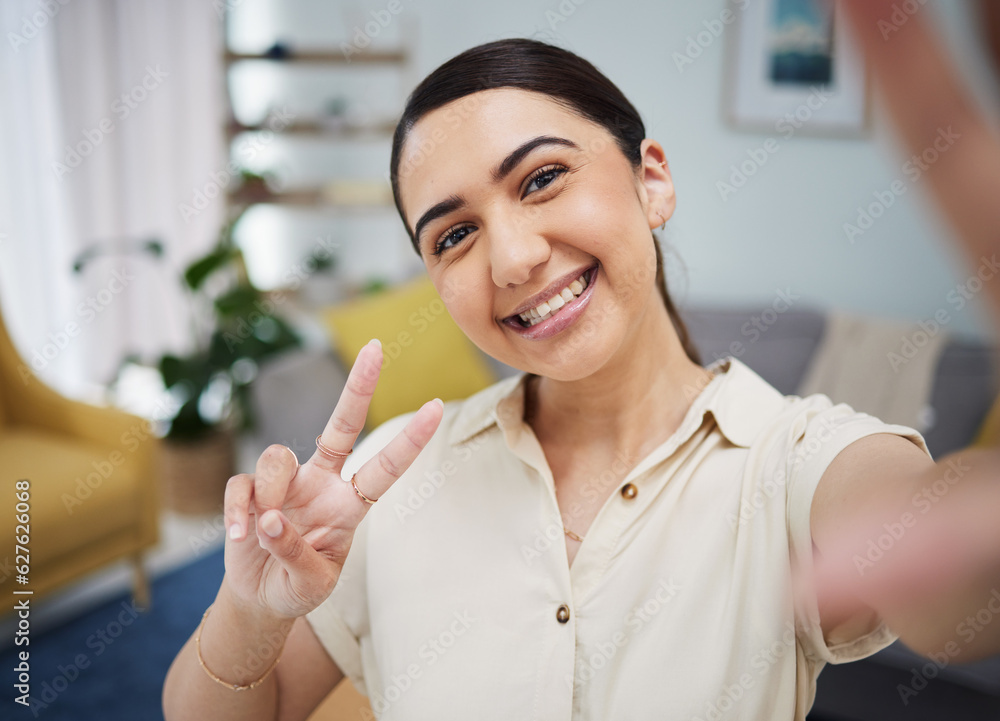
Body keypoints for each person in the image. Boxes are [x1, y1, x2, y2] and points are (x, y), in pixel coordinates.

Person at [163, 3, 1000, 718]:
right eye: (454, 235)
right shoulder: (387, 480)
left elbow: (961, 599)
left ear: (653, 182)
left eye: (542, 178)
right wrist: (250, 605)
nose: (513, 258)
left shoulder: (795, 463)